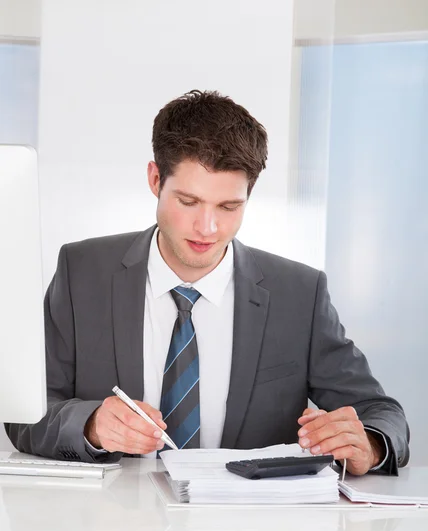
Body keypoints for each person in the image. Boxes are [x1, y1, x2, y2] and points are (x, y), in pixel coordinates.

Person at [5, 90, 409, 475]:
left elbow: (382, 413)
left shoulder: (300, 294)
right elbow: (24, 417)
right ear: (154, 180)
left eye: (229, 206)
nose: (208, 228)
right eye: (188, 201)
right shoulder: (82, 271)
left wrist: (368, 445)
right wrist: (91, 425)